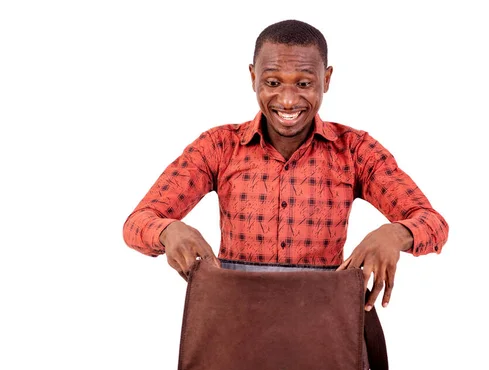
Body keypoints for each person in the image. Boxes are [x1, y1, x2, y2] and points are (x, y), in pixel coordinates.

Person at [123, 19, 448, 313]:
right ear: (253, 78)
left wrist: (394, 233)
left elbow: (433, 225)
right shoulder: (219, 147)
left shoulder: (355, 151)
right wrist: (168, 230)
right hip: (233, 331)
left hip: (323, 334)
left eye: (304, 83)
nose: (288, 101)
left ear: (327, 79)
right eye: (273, 82)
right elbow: (137, 223)